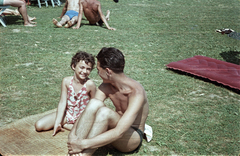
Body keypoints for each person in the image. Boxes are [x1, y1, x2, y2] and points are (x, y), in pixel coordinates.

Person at [67, 47, 149, 155]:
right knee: (94, 103)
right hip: (114, 128)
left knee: (104, 113)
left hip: (131, 137)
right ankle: (75, 150)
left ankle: (83, 154)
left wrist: (83, 143)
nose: (97, 73)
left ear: (108, 71)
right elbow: (88, 110)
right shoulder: (107, 86)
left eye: (98, 70)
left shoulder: (136, 92)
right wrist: (72, 135)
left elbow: (119, 132)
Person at [35, 51, 97, 136]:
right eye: (82, 67)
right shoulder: (66, 81)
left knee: (82, 133)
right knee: (39, 125)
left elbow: (95, 105)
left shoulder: (90, 84)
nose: (85, 71)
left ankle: (68, 126)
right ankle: (66, 125)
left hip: (82, 117)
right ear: (73, 66)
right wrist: (57, 122)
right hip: (68, 114)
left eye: (88, 69)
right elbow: (62, 102)